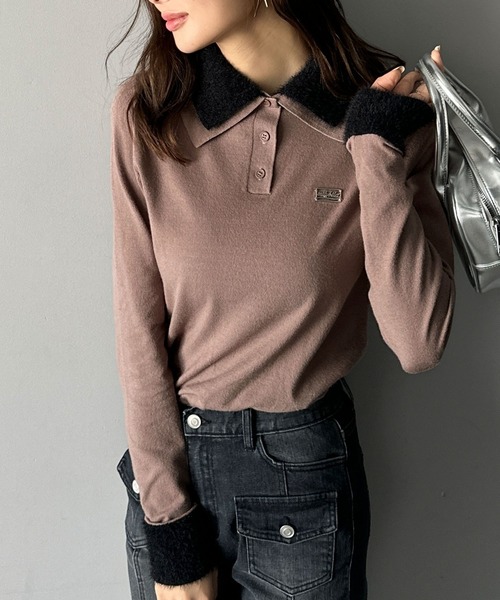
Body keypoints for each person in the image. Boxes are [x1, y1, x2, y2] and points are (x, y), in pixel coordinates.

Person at [107, 1, 455, 598]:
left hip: (303, 484)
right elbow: (136, 330)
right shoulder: (147, 111)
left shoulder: (384, 111)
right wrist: (170, 528)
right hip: (169, 477)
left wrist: (375, 150)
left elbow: (420, 342)